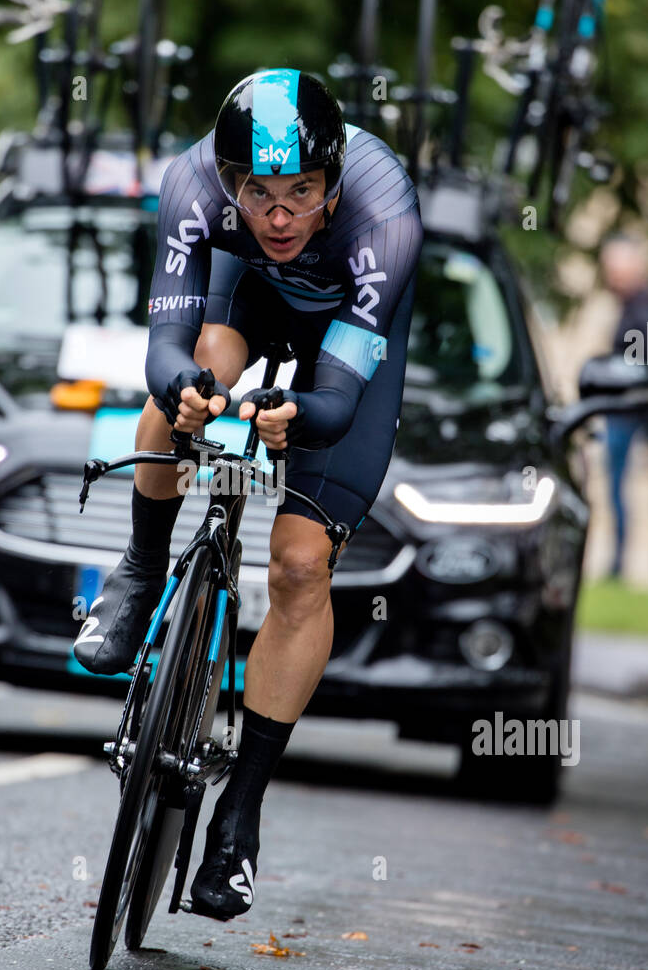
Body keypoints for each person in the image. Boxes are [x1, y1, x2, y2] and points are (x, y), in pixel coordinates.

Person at [74, 68, 423, 920]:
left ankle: (239, 816)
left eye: (302, 192)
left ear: (333, 181)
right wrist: (188, 390)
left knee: (302, 565)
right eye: (258, 192)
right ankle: (141, 569)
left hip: (346, 337)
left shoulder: (384, 216)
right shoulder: (193, 184)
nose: (278, 215)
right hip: (247, 301)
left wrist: (295, 414)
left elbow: (337, 406)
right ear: (228, 180)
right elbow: (164, 348)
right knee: (180, 396)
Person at [600, 235, 648, 577]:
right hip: (622, 412)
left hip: (626, 415)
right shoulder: (633, 305)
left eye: (615, 270)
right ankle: (617, 562)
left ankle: (619, 564)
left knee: (619, 487)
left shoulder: (642, 309)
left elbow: (646, 368)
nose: (610, 277)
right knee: (615, 487)